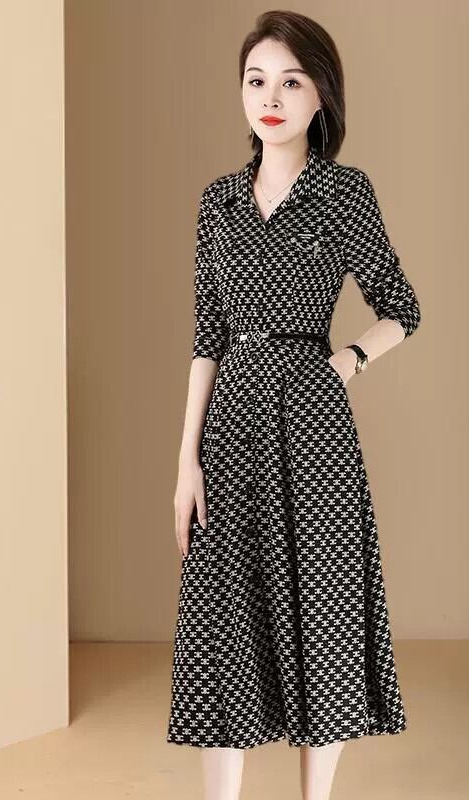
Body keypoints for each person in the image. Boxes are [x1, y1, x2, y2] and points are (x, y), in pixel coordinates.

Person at [168, 10, 421, 800]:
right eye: (256, 81)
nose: (270, 98)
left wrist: (348, 360)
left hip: (314, 426)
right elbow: (206, 337)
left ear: (320, 98)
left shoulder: (344, 193)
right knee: (223, 625)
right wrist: (185, 463)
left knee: (325, 612)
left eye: (290, 82)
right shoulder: (217, 203)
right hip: (230, 427)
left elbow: (401, 308)